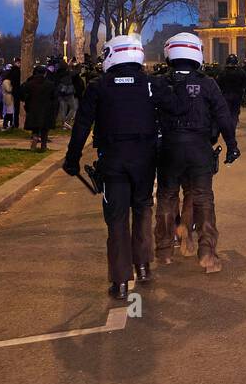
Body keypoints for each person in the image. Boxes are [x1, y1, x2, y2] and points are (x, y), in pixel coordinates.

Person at [64, 34, 174, 299]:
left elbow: (81, 126)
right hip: (144, 159)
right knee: (143, 210)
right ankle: (144, 266)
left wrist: (72, 158)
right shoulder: (151, 84)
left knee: (116, 220)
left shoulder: (98, 86)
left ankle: (121, 280)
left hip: (112, 159)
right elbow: (176, 108)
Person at [153, 32, 239, 273]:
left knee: (167, 197)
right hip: (199, 148)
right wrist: (232, 145)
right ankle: (207, 252)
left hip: (169, 148)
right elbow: (223, 115)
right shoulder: (207, 83)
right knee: (203, 198)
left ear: (170, 53)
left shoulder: (159, 83)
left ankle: (165, 250)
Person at [19, 64, 58, 150]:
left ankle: (35, 137)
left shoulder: (29, 84)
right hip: (46, 109)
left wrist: (26, 102)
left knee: (35, 126)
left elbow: (22, 94)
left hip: (33, 108)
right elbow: (55, 97)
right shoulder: (50, 84)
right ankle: (43, 145)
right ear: (45, 73)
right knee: (45, 128)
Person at [217, 54, 246, 126]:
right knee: (235, 112)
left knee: (227, 111)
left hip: (226, 94)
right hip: (237, 95)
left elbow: (218, 83)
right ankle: (233, 126)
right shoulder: (241, 72)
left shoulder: (223, 72)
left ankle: (228, 126)